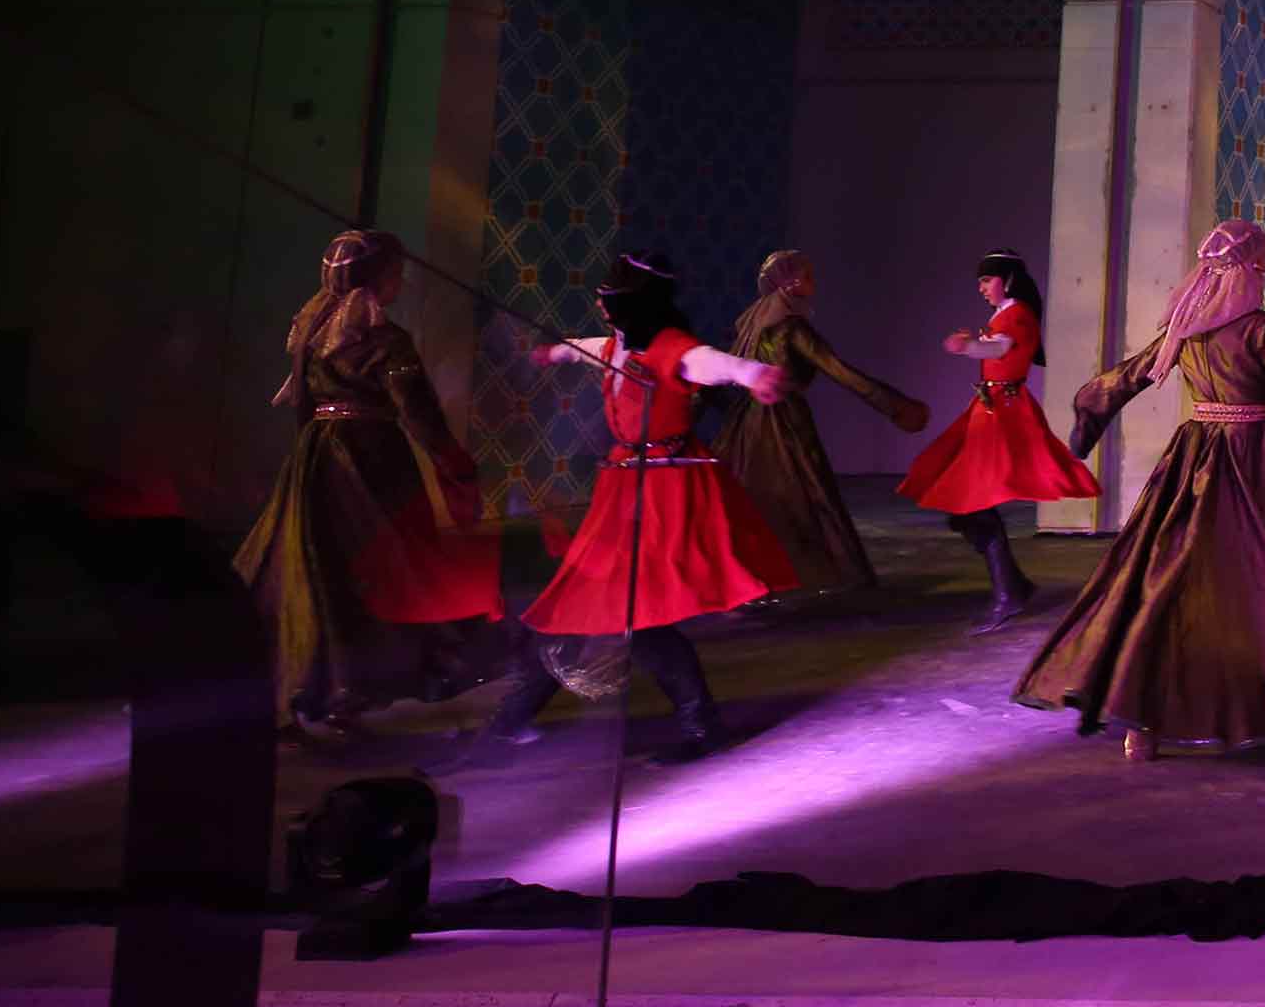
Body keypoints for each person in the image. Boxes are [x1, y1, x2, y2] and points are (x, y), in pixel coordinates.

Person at [1014, 221, 1265, 761]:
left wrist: (1089, 407)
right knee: (1263, 580)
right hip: (1248, 459)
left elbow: (1128, 376)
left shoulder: (1186, 327)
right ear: (1251, 268)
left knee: (1170, 580)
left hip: (1193, 457)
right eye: (1261, 265)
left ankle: (1143, 721)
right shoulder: (1260, 329)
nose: (1263, 274)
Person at [477, 251, 794, 765]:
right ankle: (514, 720)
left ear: (636, 304)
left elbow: (712, 364)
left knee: (626, 614)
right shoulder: (617, 345)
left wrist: (754, 374)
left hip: (660, 493)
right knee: (590, 605)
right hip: (621, 492)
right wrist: (552, 353)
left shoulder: (671, 348)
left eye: (610, 302)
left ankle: (698, 725)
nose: (603, 310)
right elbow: (585, 349)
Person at [233, 229, 501, 738]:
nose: (399, 281)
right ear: (380, 277)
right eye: (396, 273)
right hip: (370, 460)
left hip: (316, 457)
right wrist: (451, 461)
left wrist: (307, 454)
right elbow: (416, 409)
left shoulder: (312, 331)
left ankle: (313, 688)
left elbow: (308, 405)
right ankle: (349, 689)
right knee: (382, 564)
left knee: (319, 567)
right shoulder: (384, 338)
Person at [896, 248, 1098, 633]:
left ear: (1006, 279)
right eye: (979, 282)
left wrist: (968, 347)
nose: (981, 289)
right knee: (962, 503)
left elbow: (999, 348)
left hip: (1003, 411)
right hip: (988, 408)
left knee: (972, 502)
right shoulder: (1002, 314)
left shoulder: (1017, 313)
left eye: (986, 281)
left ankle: (1010, 593)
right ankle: (1014, 587)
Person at [721, 249, 928, 602]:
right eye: (809, 275)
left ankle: (759, 580)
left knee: (757, 501)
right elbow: (840, 371)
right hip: (783, 424)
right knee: (809, 496)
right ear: (792, 282)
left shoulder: (750, 325)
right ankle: (831, 576)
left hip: (746, 425)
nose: (814, 283)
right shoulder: (791, 329)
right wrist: (895, 406)